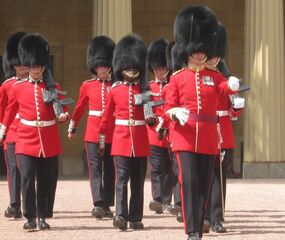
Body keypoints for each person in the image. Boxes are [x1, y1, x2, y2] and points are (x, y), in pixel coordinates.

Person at [163, 6, 240, 240]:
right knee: (188, 181)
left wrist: (233, 85)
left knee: (204, 184)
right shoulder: (177, 78)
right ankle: (192, 230)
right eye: (194, 50)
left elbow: (223, 89)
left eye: (201, 50)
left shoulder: (214, 76)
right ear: (187, 50)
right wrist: (175, 112)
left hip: (207, 138)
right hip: (184, 137)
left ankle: (200, 223)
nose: (198, 54)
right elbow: (167, 108)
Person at [0, 33, 69, 230]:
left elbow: (63, 108)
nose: (35, 69)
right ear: (28, 66)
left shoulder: (53, 86)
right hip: (25, 139)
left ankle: (41, 216)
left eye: (38, 66)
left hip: (48, 140)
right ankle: (30, 217)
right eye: (32, 66)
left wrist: (64, 117)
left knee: (46, 181)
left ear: (43, 66)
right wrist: (2, 131)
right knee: (28, 178)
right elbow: (9, 111)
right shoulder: (18, 88)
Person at [99, 34, 149, 231]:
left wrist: (154, 123)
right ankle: (120, 214)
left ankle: (135, 217)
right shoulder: (114, 90)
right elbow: (105, 118)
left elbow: (151, 118)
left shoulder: (144, 90)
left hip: (140, 140)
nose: (132, 69)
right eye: (128, 66)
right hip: (120, 140)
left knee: (137, 182)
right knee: (121, 180)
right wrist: (102, 140)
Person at [67, 36, 115, 219]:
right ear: (95, 67)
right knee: (95, 168)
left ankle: (108, 204)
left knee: (110, 169)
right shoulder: (87, 85)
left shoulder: (115, 85)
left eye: (105, 66)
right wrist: (73, 126)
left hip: (111, 132)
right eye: (99, 66)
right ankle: (98, 203)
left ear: (110, 66)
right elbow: (79, 107)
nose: (102, 69)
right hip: (93, 133)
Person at [203, 23, 244, 233]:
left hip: (223, 133)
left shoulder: (227, 80)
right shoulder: (199, 78)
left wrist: (237, 107)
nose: (212, 59)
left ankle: (217, 217)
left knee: (219, 177)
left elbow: (233, 113)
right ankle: (205, 216)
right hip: (205, 131)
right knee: (204, 176)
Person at [0, 32, 28, 219]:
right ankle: (14, 204)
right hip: (11, 133)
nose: (19, 68)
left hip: (27, 132)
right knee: (13, 170)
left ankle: (28, 204)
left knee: (26, 171)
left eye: (22, 64)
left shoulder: (34, 85)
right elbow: (2, 111)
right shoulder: (6, 86)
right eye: (17, 65)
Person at [146, 38, 173, 214]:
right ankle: (157, 199)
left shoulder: (172, 85)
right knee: (156, 169)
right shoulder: (148, 87)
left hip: (170, 134)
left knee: (169, 169)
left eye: (163, 68)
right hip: (154, 134)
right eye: (158, 68)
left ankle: (166, 200)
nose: (160, 71)